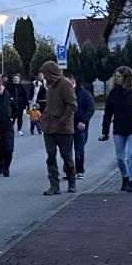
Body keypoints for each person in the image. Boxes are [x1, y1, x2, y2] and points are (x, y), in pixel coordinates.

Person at [100, 66, 132, 193]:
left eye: (119, 76)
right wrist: (105, 131)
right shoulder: (114, 93)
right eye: (116, 76)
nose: (116, 79)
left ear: (126, 77)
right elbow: (108, 113)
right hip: (119, 128)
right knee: (120, 158)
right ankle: (125, 177)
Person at [38, 62, 78, 196]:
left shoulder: (65, 84)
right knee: (51, 156)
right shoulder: (49, 86)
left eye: (45, 73)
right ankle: (54, 185)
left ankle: (71, 182)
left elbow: (72, 105)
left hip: (63, 129)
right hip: (48, 127)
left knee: (67, 157)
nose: (44, 77)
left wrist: (62, 121)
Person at [69, 72, 96, 179]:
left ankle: (80, 170)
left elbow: (90, 109)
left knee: (79, 149)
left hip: (80, 125)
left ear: (74, 82)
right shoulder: (63, 93)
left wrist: (84, 121)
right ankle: (69, 171)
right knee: (66, 150)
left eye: (71, 83)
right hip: (66, 125)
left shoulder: (84, 94)